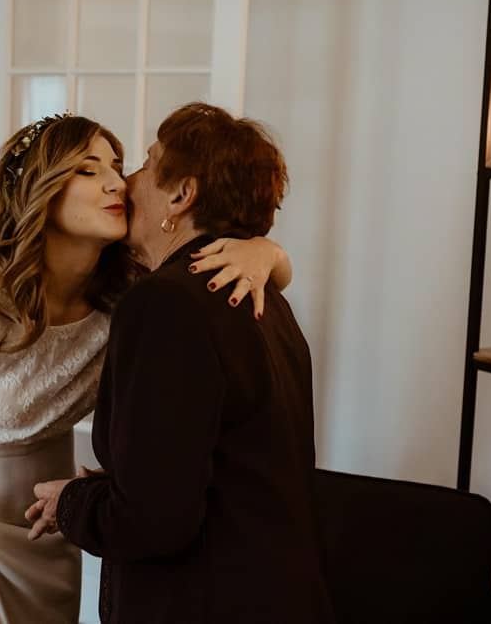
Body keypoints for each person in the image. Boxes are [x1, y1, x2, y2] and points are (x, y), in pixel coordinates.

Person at [0, 113, 293, 623]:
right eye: (86, 169)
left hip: (49, 519)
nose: (115, 181)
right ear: (42, 190)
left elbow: (265, 272)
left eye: (118, 164)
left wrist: (263, 250)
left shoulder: (132, 296)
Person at [29, 103, 334, 623]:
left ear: (181, 194)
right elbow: (218, 462)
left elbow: (152, 522)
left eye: (146, 164)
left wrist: (74, 503)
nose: (127, 180)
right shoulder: (261, 294)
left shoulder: (166, 303)